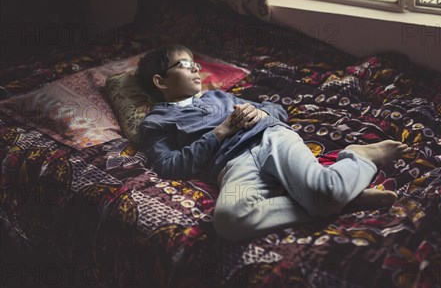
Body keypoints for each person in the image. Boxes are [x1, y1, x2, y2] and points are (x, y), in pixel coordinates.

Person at [137, 44, 407, 242]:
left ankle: (358, 156)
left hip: (269, 137)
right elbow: (169, 166)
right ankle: (342, 201)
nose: (196, 67)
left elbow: (275, 109)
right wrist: (219, 132)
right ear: (160, 81)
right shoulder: (156, 121)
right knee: (230, 222)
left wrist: (263, 114)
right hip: (231, 164)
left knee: (323, 194)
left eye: (195, 62)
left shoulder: (217, 96)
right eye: (185, 64)